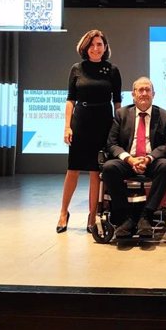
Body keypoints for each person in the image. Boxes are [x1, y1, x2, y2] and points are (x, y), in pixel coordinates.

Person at [56, 30, 122, 234]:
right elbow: (70, 100)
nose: (96, 48)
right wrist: (67, 126)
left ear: (105, 47)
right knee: (73, 170)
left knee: (96, 171)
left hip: (103, 122)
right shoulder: (77, 69)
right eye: (92, 45)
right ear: (85, 47)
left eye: (99, 44)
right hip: (81, 122)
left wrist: (118, 128)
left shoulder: (112, 70)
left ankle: (92, 216)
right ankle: (63, 212)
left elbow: (117, 102)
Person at [102, 77, 166, 238]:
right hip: (128, 161)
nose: (144, 93)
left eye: (147, 90)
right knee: (108, 168)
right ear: (133, 95)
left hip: (152, 161)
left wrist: (149, 158)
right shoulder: (121, 114)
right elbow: (112, 144)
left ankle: (147, 215)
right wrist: (129, 159)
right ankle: (125, 217)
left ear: (153, 94)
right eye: (140, 90)